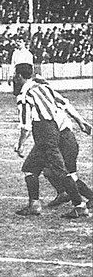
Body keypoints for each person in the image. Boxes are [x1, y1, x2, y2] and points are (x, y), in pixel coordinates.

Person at [12, 68, 89, 219]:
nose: (14, 78)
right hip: (58, 131)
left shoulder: (24, 95)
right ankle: (34, 204)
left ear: (20, 76)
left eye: (15, 75)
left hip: (45, 133)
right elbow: (64, 103)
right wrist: (80, 121)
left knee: (60, 171)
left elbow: (25, 125)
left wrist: (20, 144)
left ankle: (79, 206)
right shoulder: (44, 87)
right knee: (30, 168)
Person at [26, 77, 93, 210]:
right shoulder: (51, 102)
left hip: (64, 140)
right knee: (48, 171)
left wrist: (81, 121)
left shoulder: (46, 107)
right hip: (61, 139)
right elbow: (67, 104)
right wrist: (80, 121)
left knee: (66, 174)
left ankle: (85, 199)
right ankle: (63, 193)